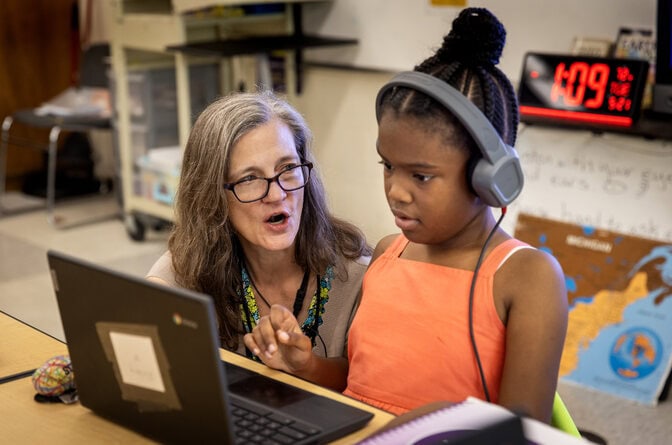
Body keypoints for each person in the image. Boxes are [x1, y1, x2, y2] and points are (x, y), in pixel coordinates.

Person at [243, 8, 568, 423]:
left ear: (488, 178)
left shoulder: (529, 278)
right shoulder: (386, 255)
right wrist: (306, 365)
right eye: (388, 166)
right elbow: (356, 383)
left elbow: (522, 431)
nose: (396, 191)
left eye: (422, 175)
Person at [147, 91, 371, 387]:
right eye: (249, 179)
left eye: (288, 168)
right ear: (212, 196)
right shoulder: (186, 272)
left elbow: (364, 389)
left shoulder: (358, 275)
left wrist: (306, 366)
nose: (278, 195)